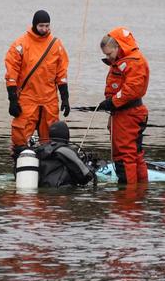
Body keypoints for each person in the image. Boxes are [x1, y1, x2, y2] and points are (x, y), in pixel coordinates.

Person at [4, 10, 70, 158]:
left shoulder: (56, 45)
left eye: (47, 26)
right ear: (34, 25)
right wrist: (12, 100)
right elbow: (11, 73)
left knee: (52, 139)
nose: (44, 29)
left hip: (49, 99)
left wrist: (65, 98)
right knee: (20, 136)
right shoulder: (21, 44)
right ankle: (19, 163)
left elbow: (61, 74)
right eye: (41, 26)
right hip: (27, 98)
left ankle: (48, 168)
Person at [97, 27, 149, 184]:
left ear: (118, 47)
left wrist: (112, 102)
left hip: (129, 114)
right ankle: (139, 190)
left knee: (125, 156)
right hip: (123, 113)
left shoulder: (134, 62)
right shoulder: (125, 61)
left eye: (109, 54)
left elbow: (131, 89)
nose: (108, 58)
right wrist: (111, 107)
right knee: (135, 154)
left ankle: (128, 196)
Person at [35, 121, 96, 187]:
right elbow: (86, 177)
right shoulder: (66, 151)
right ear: (66, 135)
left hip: (42, 194)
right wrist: (91, 168)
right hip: (61, 193)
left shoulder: (39, 150)